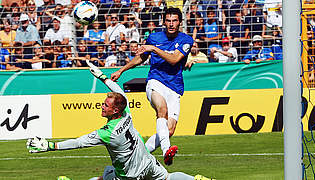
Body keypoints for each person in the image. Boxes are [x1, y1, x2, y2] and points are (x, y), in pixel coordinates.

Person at [26, 61, 213, 180]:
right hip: (147, 164)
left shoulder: (107, 133)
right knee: (168, 178)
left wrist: (50, 146)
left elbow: (78, 143)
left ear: (114, 110)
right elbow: (119, 91)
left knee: (107, 177)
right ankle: (197, 179)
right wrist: (103, 77)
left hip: (130, 176)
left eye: (105, 105)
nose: (102, 106)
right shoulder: (126, 114)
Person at [110, 8, 194, 166]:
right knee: (162, 110)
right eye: (168, 20)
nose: (171, 24)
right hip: (155, 81)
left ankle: (139, 155)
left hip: (175, 87)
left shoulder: (186, 40)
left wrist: (154, 49)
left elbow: (175, 59)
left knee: (169, 130)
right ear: (163, 21)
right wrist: (121, 70)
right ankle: (166, 151)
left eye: (174, 21)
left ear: (180, 22)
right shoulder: (154, 37)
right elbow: (140, 58)